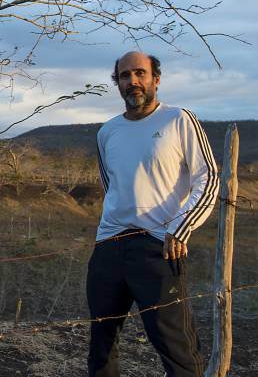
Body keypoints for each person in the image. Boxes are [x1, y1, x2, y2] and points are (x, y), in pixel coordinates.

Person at [87, 51, 219, 377]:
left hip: (159, 247)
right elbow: (112, 186)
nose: (133, 81)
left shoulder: (178, 119)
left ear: (155, 79)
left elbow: (209, 177)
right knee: (101, 344)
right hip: (109, 246)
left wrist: (180, 228)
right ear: (117, 83)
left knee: (176, 348)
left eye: (140, 73)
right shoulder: (107, 132)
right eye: (124, 76)